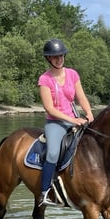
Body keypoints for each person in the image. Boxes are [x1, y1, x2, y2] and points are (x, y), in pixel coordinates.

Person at [37, 38, 94, 206]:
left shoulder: (72, 74)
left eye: (61, 55)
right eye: (55, 57)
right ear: (48, 58)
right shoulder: (45, 79)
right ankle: (44, 192)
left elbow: (81, 97)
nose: (59, 59)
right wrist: (73, 120)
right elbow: (49, 108)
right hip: (56, 122)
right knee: (53, 153)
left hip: (75, 118)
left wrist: (89, 113)